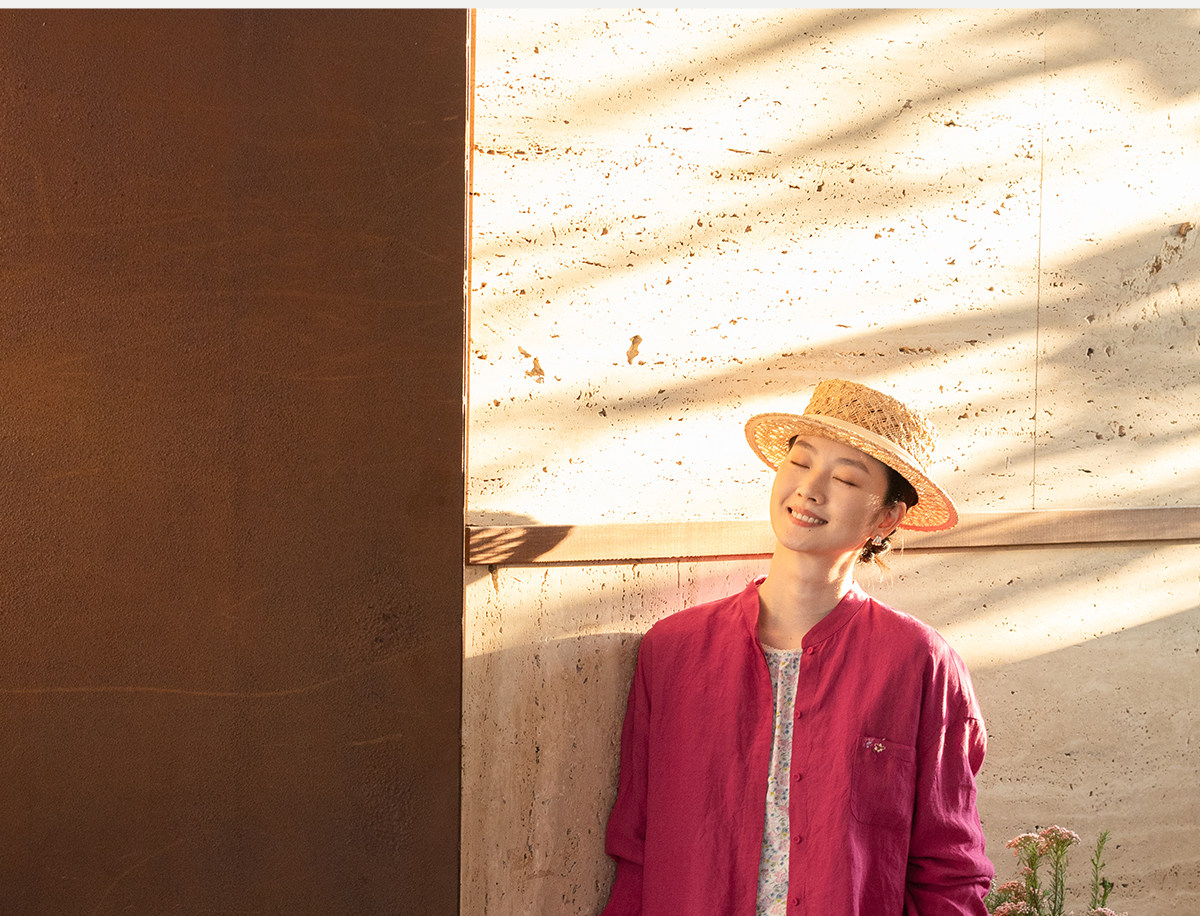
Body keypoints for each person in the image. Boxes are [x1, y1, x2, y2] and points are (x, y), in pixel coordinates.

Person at [601, 379, 993, 916]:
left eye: (846, 479)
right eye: (800, 462)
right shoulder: (673, 651)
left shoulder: (919, 662)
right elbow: (635, 848)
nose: (810, 489)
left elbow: (950, 867)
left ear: (886, 518)